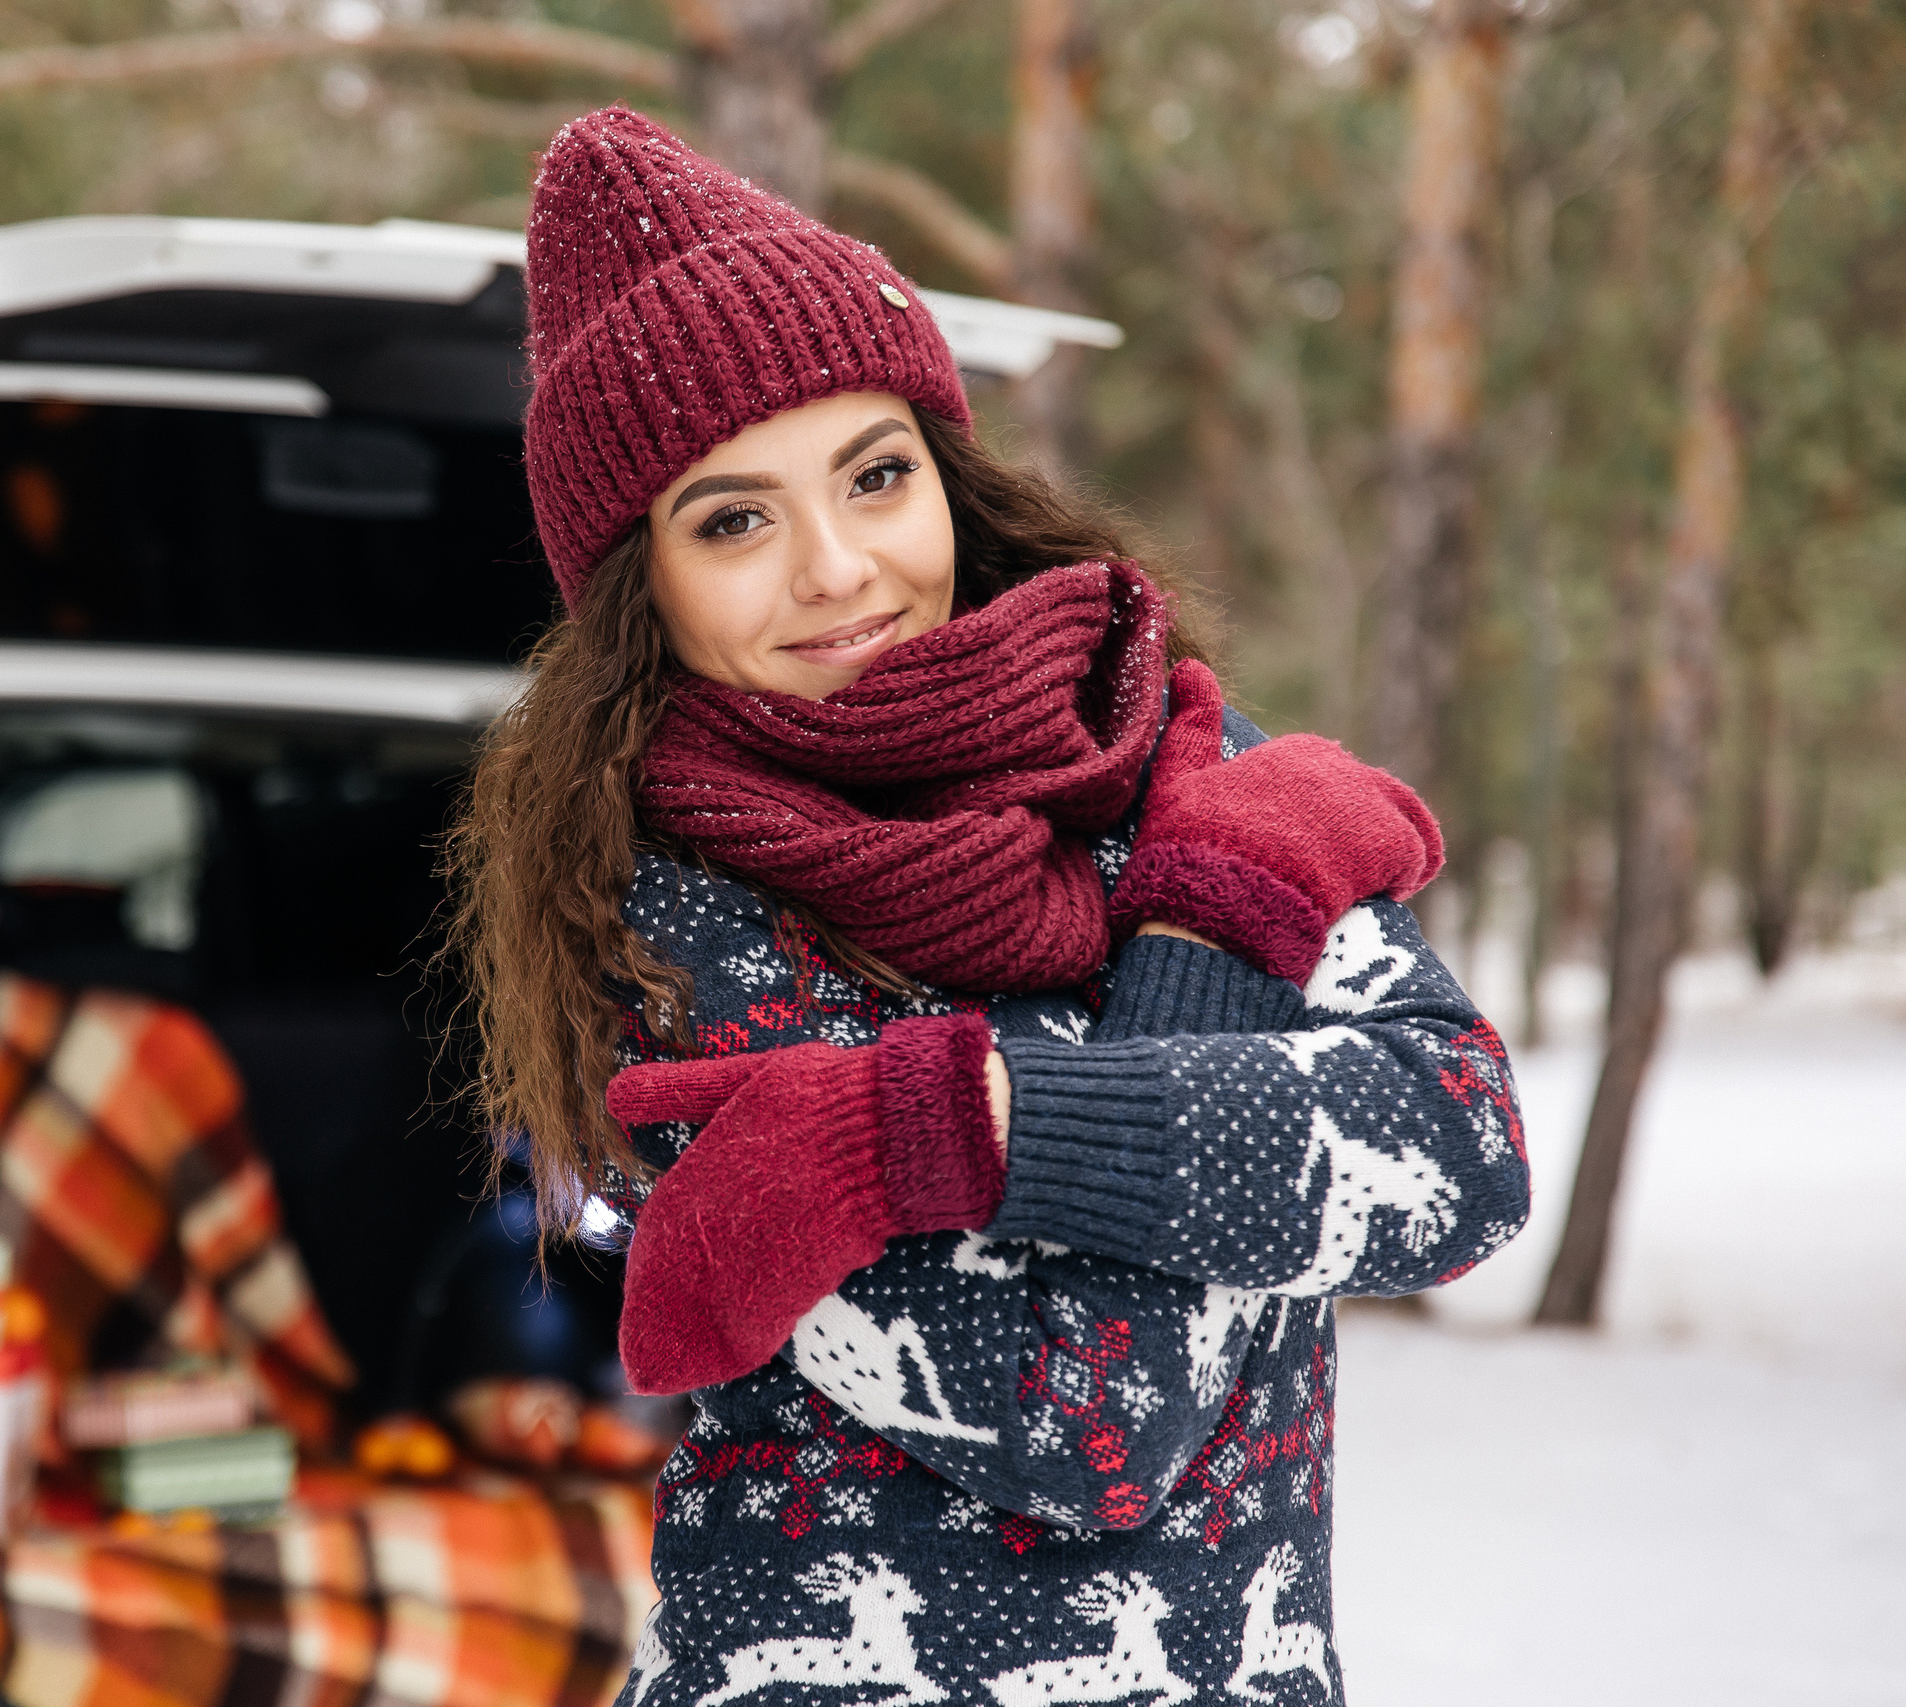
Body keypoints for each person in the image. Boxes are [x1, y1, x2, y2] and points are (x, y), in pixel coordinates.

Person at [446, 107, 1530, 1707]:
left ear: (944, 471)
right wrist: (1216, 943)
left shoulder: (1180, 756)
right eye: (732, 518)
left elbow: (1464, 1151)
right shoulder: (670, 927)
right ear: (639, 589)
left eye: (873, 475)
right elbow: (1099, 1427)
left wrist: (933, 1128)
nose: (836, 568)